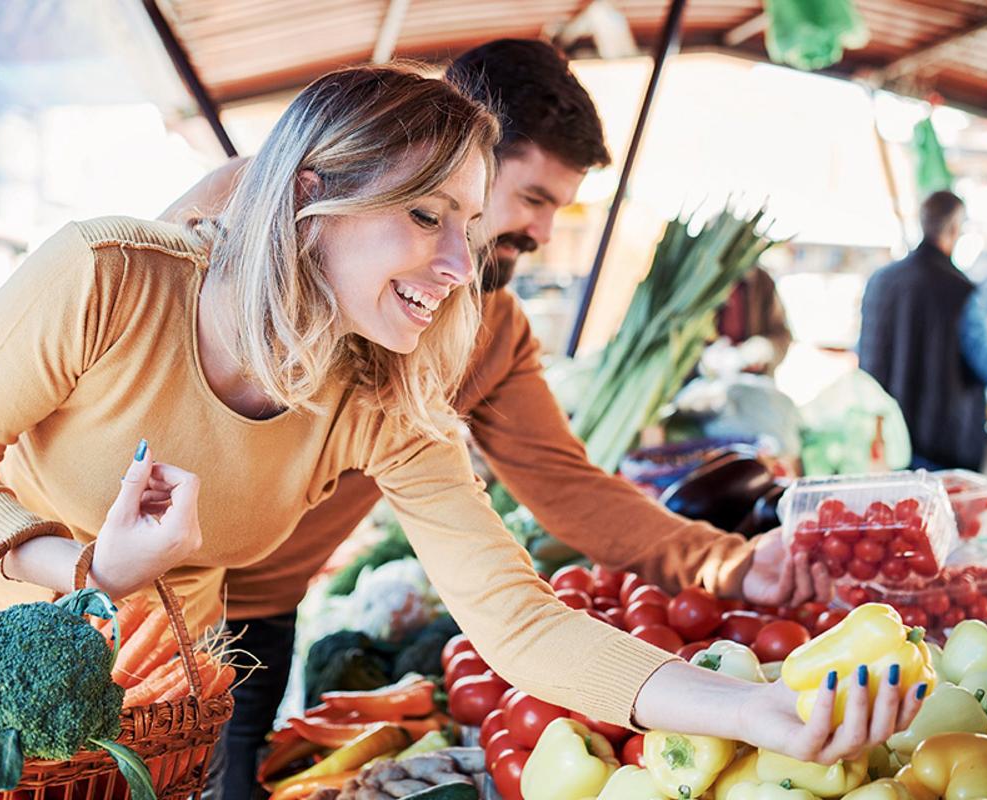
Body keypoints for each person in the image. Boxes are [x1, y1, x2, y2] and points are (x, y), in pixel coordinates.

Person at [0, 64, 917, 797]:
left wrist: (751, 711)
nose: (462, 261)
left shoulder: (384, 398)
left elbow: (516, 619)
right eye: (427, 215)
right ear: (310, 194)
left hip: (168, 703)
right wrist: (89, 562)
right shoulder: (106, 276)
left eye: (469, 222)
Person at [164, 42, 881, 797]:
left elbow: (565, 489)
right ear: (464, 154)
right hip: (130, 594)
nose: (541, 234)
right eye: (534, 199)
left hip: (256, 615)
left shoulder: (482, 334)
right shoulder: (250, 203)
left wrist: (728, 564)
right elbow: (123, 373)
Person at [859, 191, 987, 470]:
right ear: (955, 229)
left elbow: (866, 357)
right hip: (940, 448)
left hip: (883, 440)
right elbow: (986, 365)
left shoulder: (880, 281)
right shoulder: (963, 291)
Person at [713, 266, 792, 375]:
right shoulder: (699, 275)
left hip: (748, 381)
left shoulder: (761, 281)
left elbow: (782, 338)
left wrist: (762, 349)